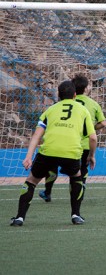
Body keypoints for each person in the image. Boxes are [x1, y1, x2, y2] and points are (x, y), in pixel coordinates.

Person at [10, 81, 97, 226]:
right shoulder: (82, 110)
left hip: (48, 151)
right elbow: (93, 137)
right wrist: (91, 155)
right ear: (75, 95)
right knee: (76, 178)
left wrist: (28, 157)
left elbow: (36, 136)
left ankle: (20, 218)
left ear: (58, 95)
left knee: (31, 181)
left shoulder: (50, 110)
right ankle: (76, 215)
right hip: (71, 152)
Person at [39, 74, 106, 202]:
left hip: (66, 142)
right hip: (85, 144)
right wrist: (90, 129)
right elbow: (103, 123)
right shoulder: (93, 104)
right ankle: (78, 196)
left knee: (52, 166)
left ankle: (47, 192)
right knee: (81, 171)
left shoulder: (65, 103)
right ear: (86, 89)